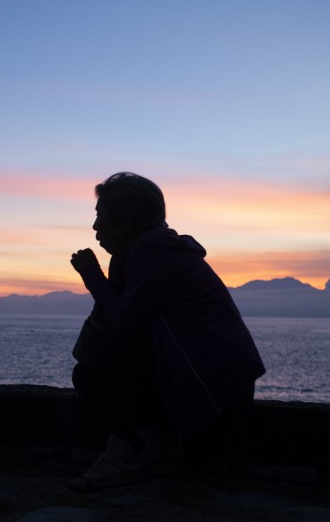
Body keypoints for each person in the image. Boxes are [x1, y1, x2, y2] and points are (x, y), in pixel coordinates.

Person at [68, 172, 265, 491]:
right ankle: (150, 451)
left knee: (108, 357)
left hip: (217, 395)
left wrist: (92, 276)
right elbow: (107, 328)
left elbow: (123, 321)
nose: (94, 228)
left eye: (99, 217)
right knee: (98, 363)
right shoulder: (137, 256)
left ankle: (140, 455)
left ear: (125, 221)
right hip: (205, 385)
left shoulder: (155, 253)